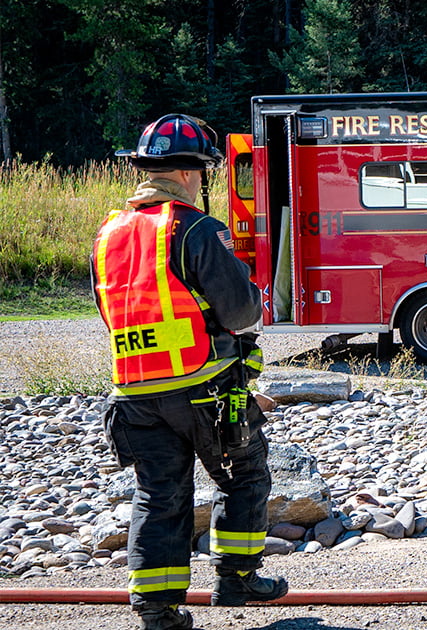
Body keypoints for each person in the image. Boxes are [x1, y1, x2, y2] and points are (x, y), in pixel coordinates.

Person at [93, 114, 287, 630]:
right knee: (244, 475)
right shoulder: (196, 228)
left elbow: (110, 308)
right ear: (190, 173)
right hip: (206, 389)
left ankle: (157, 609)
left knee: (159, 493)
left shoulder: (108, 234)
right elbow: (243, 312)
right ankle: (236, 579)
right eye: (204, 171)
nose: (204, 181)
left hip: (134, 393)